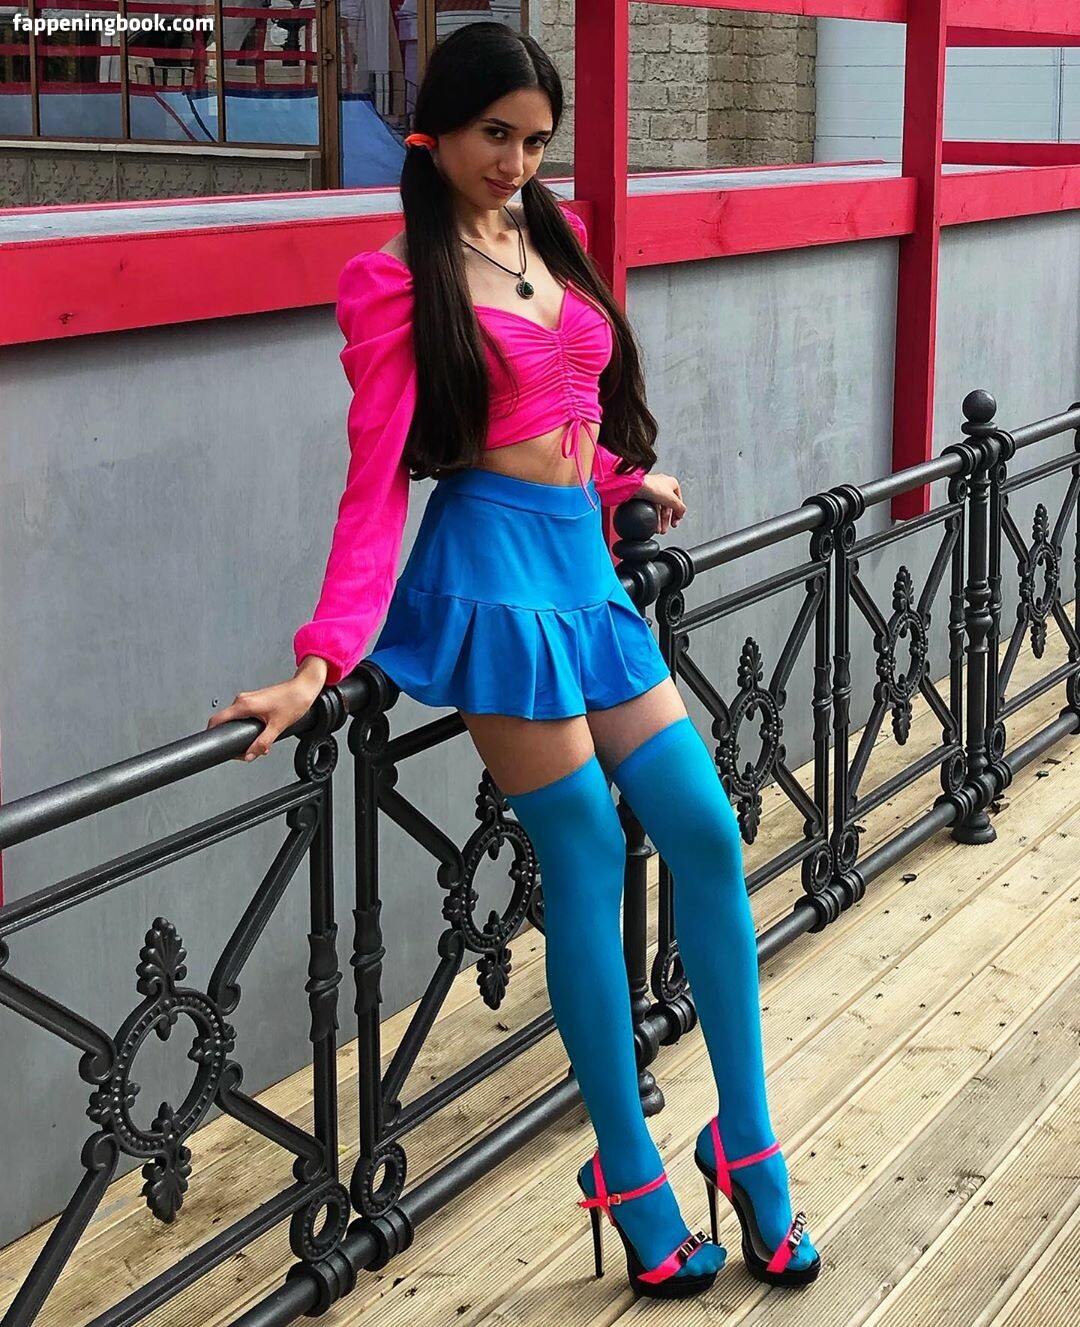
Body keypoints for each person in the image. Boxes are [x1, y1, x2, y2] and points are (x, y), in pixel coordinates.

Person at [206, 20, 819, 1300]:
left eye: (537, 141)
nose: (518, 163)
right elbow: (377, 481)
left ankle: (749, 1140)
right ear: (431, 132)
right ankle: (631, 1172)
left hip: (584, 573)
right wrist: (323, 659)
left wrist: (620, 478)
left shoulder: (550, 232)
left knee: (707, 834)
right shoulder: (394, 280)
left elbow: (565, 402)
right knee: (585, 852)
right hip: (491, 580)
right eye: (497, 135)